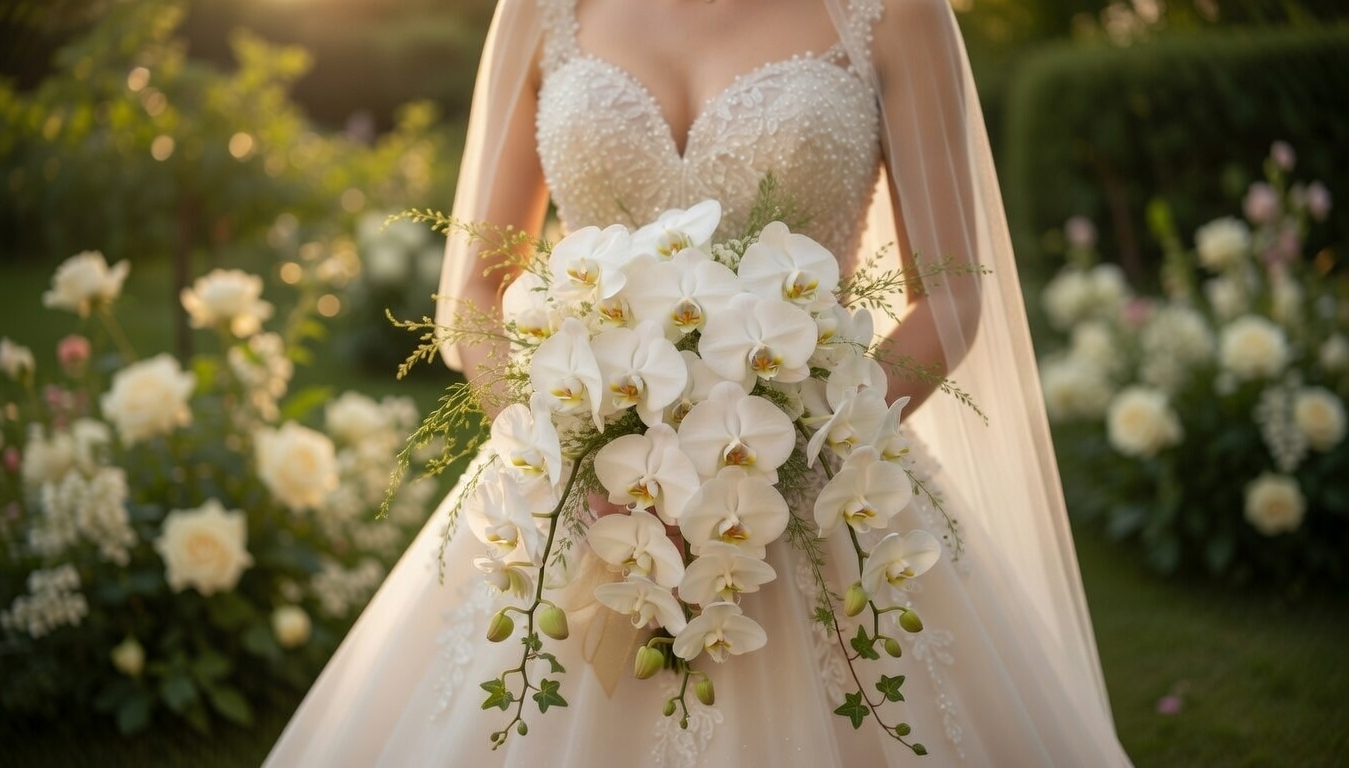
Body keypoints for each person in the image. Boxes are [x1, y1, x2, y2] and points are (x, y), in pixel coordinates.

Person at [265, 0, 1134, 765]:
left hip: (810, 486)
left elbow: (949, 296)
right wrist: (577, 468)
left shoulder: (892, 11)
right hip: (579, 483)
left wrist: (780, 458)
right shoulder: (542, 9)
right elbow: (478, 292)